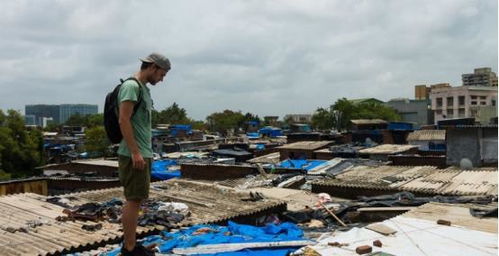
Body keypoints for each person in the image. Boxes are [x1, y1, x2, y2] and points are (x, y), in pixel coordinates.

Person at [118, 53, 170, 256]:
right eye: (162, 74)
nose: (162, 79)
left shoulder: (143, 90)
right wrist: (135, 152)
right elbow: (124, 120)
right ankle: (129, 249)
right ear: (153, 67)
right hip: (134, 154)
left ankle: (131, 244)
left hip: (142, 153)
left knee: (137, 199)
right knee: (133, 199)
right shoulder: (131, 86)